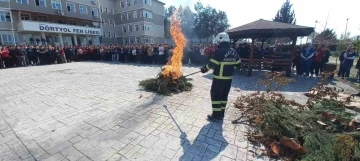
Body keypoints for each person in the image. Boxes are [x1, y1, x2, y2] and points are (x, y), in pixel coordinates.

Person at [200, 32, 240, 121]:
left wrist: (204, 69)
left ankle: (216, 115)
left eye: (218, 41)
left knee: (216, 96)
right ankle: (221, 114)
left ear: (221, 40)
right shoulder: (234, 51)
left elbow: (212, 64)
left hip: (219, 78)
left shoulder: (219, 52)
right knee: (224, 96)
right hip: (229, 79)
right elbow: (238, 65)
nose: (217, 43)